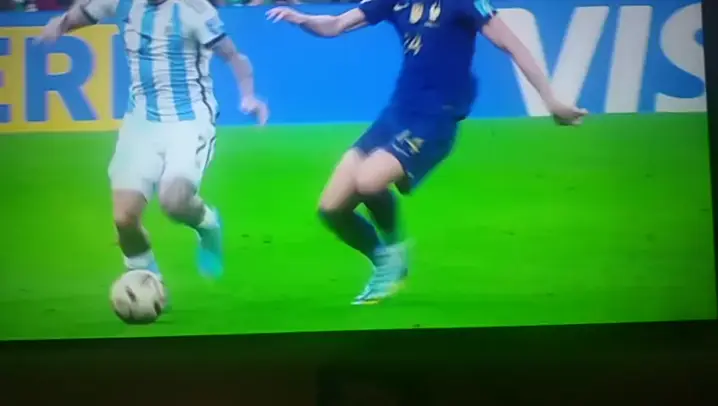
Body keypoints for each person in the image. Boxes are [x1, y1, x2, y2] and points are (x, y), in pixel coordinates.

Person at [266, 0, 587, 305]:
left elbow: (511, 44)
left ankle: (395, 250)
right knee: (331, 209)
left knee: (369, 181)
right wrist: (304, 19)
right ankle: (384, 263)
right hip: (397, 112)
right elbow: (336, 25)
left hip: (436, 116)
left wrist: (551, 100)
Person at [37, 0, 268, 287]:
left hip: (188, 120)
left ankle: (207, 224)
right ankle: (148, 281)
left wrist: (249, 96)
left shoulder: (194, 9)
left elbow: (233, 56)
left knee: (175, 203)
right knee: (124, 219)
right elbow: (84, 12)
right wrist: (61, 24)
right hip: (140, 123)